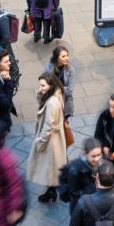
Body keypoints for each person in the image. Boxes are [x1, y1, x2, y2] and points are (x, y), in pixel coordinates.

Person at [27, 72, 68, 203]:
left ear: (51, 85)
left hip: (51, 140)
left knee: (50, 166)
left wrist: (40, 142)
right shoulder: (57, 93)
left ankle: (53, 192)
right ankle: (52, 191)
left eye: (43, 86)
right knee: (53, 167)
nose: (40, 88)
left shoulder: (52, 102)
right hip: (56, 138)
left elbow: (48, 126)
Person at [67, 138, 102, 226]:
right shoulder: (75, 168)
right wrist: (94, 187)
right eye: (93, 156)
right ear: (85, 153)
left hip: (93, 208)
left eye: (99, 155)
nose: (97, 158)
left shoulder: (99, 165)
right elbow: (73, 193)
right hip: (79, 209)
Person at [44, 45, 74, 117]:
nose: (67, 58)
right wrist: (63, 88)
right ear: (57, 58)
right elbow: (46, 85)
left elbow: (70, 90)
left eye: (67, 55)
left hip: (65, 101)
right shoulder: (49, 68)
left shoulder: (70, 69)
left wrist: (55, 88)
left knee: (64, 120)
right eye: (63, 56)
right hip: (52, 100)